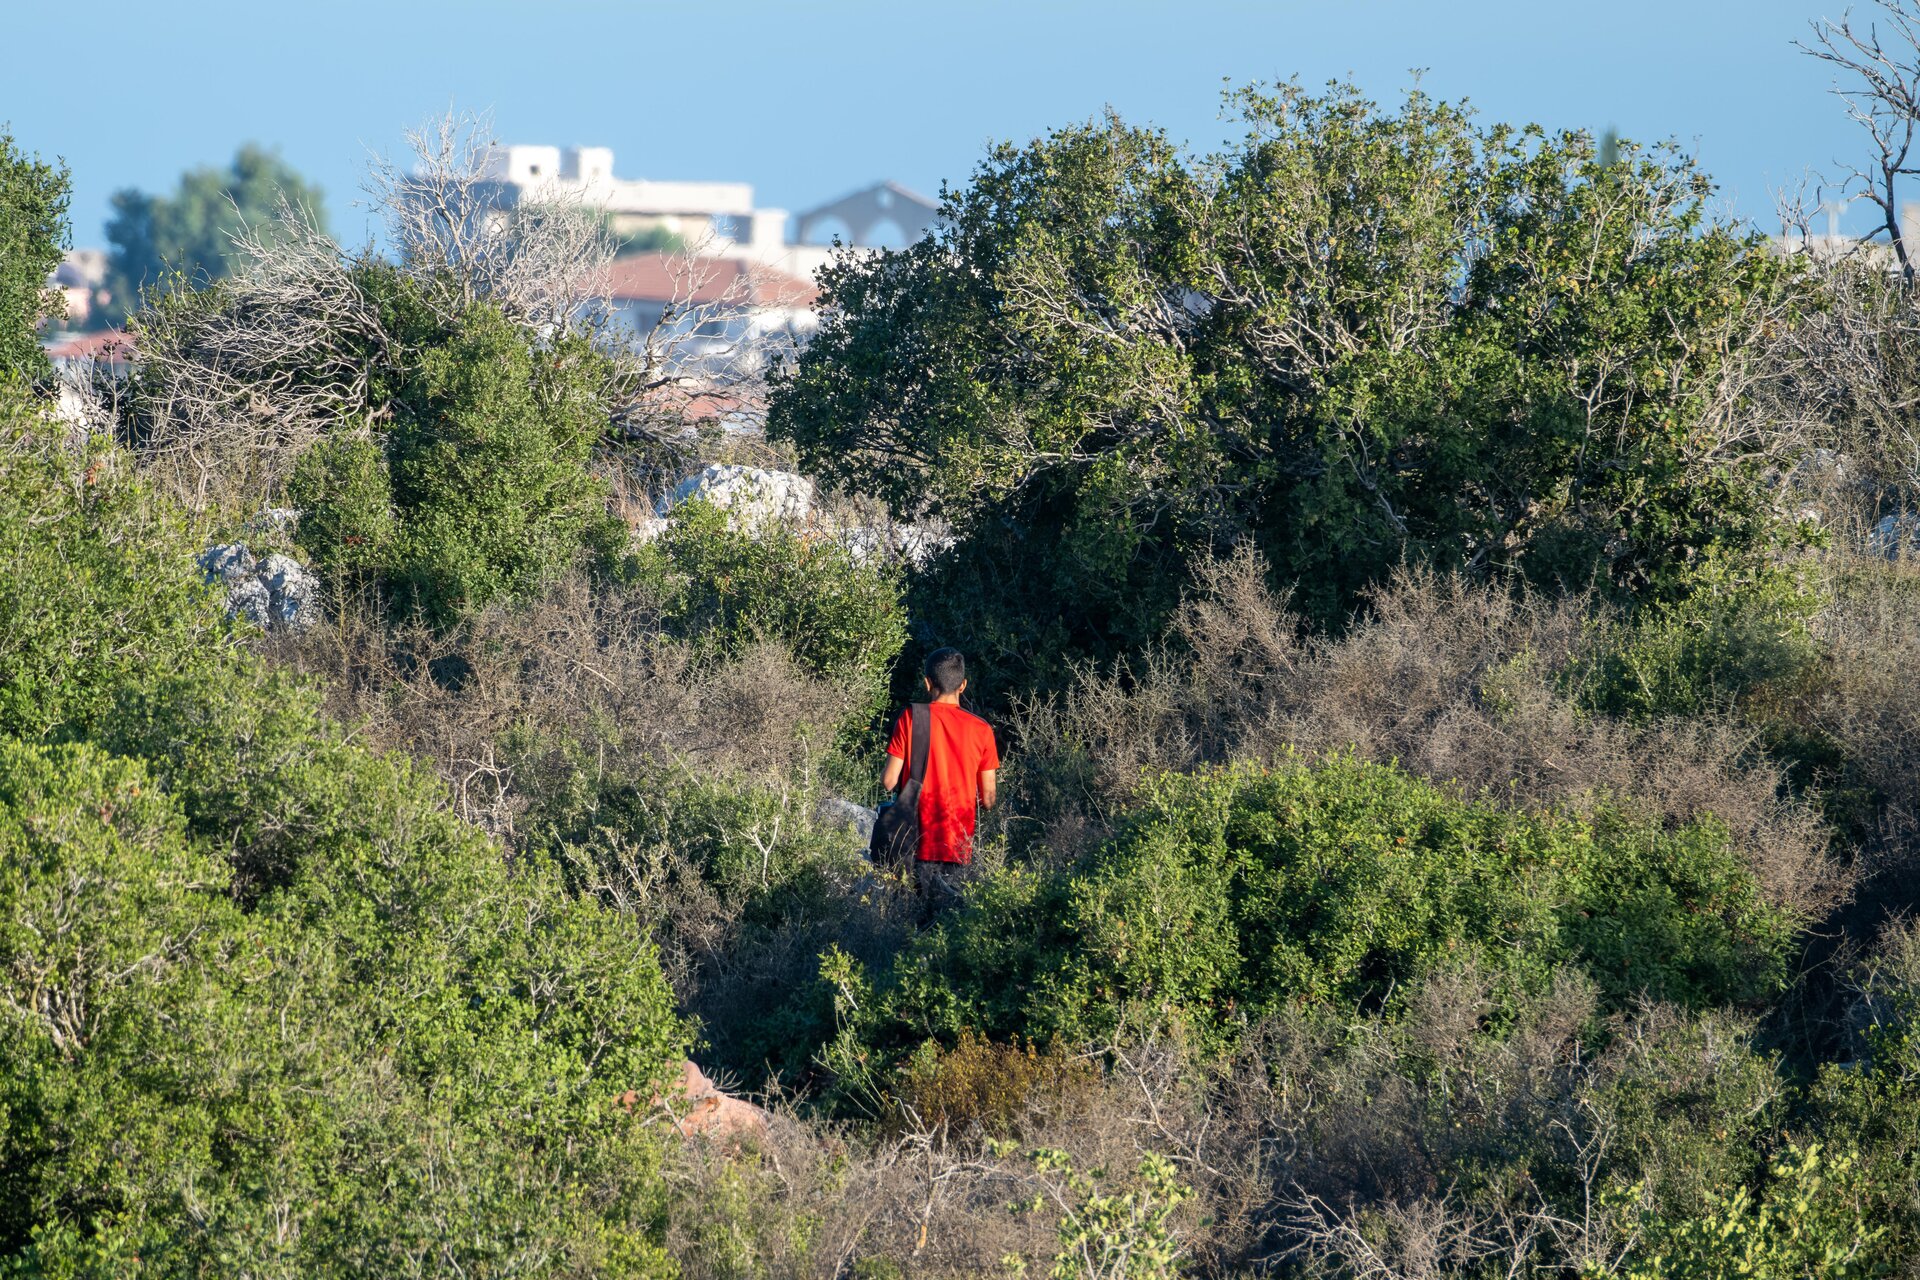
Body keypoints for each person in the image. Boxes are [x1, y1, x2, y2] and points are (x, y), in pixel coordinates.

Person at [882, 647, 999, 915]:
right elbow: (989, 800)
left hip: (912, 847)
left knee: (911, 926)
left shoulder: (911, 718)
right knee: (946, 927)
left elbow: (888, 781)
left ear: (927, 683)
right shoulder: (982, 729)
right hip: (958, 848)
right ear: (963, 685)